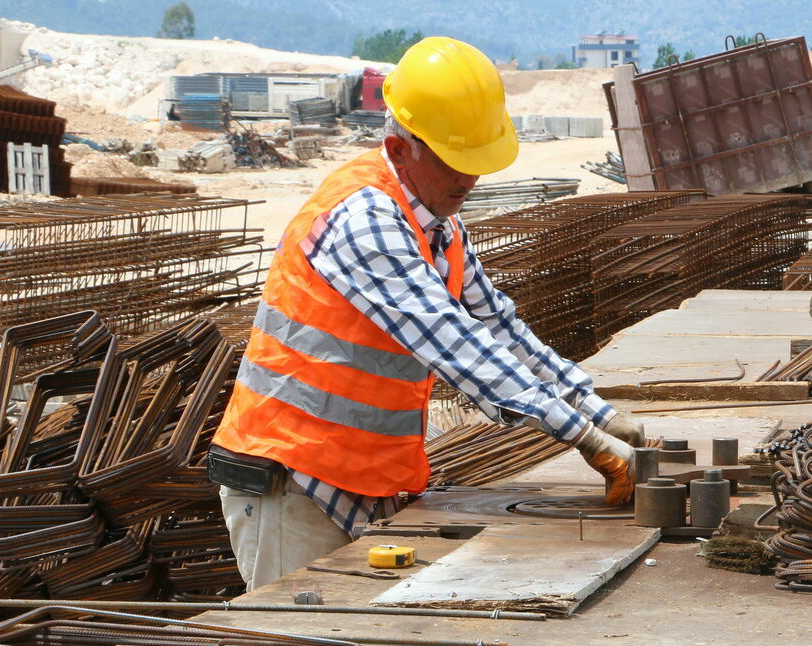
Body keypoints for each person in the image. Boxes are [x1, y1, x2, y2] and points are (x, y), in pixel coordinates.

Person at [208, 36, 644, 591]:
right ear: (401, 143)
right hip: (292, 482)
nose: (469, 179)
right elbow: (455, 344)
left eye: (476, 161)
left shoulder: (439, 226)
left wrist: (600, 413)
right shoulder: (364, 218)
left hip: (366, 482)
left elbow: (500, 331)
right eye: (453, 160)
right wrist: (586, 439)